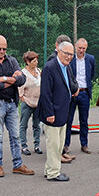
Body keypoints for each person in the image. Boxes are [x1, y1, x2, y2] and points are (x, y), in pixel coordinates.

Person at [0, 35, 34, 177]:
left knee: (15, 136)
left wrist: (3, 79)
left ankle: (18, 164)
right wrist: (11, 78)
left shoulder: (12, 61)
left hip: (12, 103)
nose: (2, 51)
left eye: (4, 49)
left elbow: (22, 79)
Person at [38, 41, 78, 181]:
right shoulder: (50, 67)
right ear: (59, 52)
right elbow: (45, 93)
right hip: (53, 113)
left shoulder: (66, 67)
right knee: (54, 145)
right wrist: (49, 113)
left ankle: (49, 169)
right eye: (67, 54)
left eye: (71, 55)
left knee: (59, 144)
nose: (69, 57)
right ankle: (53, 173)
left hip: (63, 112)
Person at [65, 38, 96, 154]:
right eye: (79, 48)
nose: (81, 50)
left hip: (84, 93)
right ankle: (66, 145)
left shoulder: (90, 59)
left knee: (84, 121)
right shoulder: (70, 58)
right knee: (68, 120)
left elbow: (91, 75)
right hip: (72, 94)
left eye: (83, 48)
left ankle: (84, 144)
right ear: (75, 47)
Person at [19, 50, 42, 156]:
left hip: (38, 103)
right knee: (23, 125)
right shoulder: (23, 74)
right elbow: (20, 90)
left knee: (37, 125)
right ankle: (24, 146)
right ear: (27, 62)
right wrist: (24, 100)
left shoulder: (39, 71)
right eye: (33, 60)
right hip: (27, 103)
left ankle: (37, 145)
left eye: (37, 60)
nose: (36, 62)